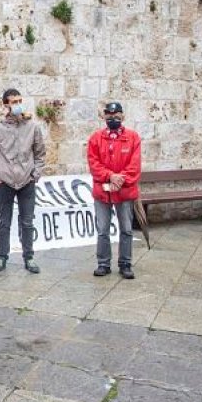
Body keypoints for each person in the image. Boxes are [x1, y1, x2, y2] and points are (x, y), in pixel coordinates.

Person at [0, 88, 46, 274]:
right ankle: (2, 257)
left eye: (20, 101)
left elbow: (40, 153)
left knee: (27, 222)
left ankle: (29, 257)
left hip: (27, 181)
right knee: (4, 222)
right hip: (5, 182)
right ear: (6, 105)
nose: (18, 105)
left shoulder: (32, 127)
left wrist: (35, 175)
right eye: (14, 102)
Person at [86, 101, 142, 279]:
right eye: (109, 115)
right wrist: (110, 176)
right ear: (104, 116)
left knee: (126, 229)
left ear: (123, 116)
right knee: (102, 230)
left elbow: (135, 166)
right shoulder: (95, 138)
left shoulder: (133, 138)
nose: (113, 118)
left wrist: (120, 179)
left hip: (124, 192)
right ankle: (103, 264)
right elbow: (94, 164)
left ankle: (125, 264)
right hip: (102, 192)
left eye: (116, 115)